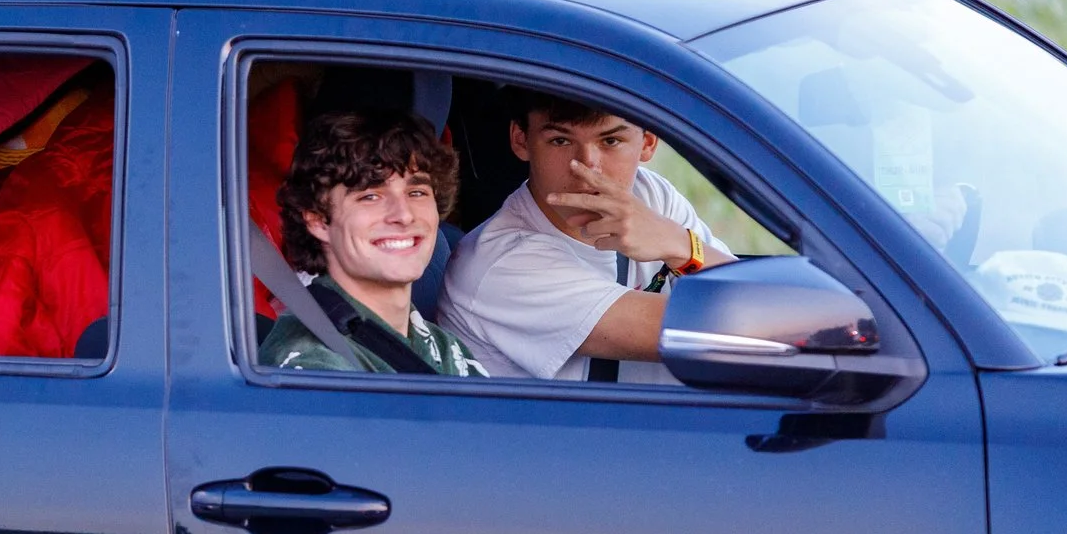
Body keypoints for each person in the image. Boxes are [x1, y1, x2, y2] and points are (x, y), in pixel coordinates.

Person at [438, 87, 733, 383]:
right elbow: (736, 329)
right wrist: (679, 243)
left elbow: (750, 292)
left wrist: (679, 243)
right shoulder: (502, 265)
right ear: (521, 140)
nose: (586, 167)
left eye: (611, 141)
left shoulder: (651, 195)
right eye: (561, 141)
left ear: (648, 142)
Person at [258, 110, 488, 378]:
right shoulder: (312, 366)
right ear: (319, 220)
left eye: (417, 192)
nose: (403, 214)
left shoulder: (444, 347)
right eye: (370, 196)